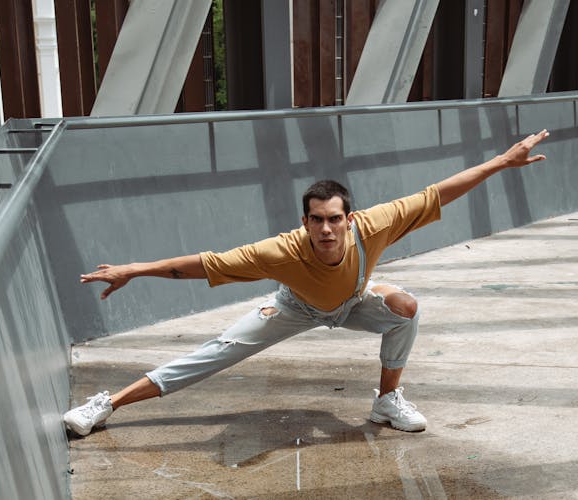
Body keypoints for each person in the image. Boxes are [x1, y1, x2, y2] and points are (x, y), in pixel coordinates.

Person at [63, 129, 550, 436]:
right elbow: (202, 263)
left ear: (348, 218)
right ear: (305, 220)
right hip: (294, 307)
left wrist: (502, 163)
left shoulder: (377, 224)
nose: (325, 229)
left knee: (406, 307)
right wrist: (133, 269)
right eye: (316, 220)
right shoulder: (282, 251)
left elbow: (439, 192)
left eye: (333, 220)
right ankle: (106, 404)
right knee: (218, 350)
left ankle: (386, 402)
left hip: (354, 301)